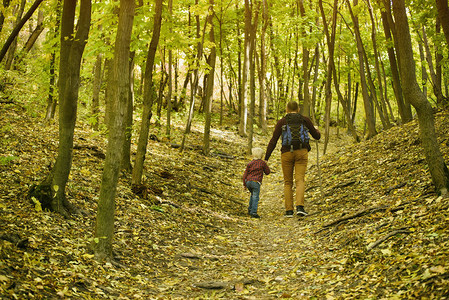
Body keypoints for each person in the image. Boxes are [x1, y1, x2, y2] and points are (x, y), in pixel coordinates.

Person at [265, 101, 321, 217]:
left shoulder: (282, 122)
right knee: (300, 180)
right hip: (302, 152)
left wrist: (266, 158)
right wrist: (317, 130)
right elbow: (317, 136)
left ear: (286, 109)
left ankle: (289, 211)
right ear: (298, 109)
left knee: (287, 182)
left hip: (286, 154)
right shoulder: (305, 120)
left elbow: (273, 140)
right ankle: (300, 207)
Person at [242, 147, 271, 218]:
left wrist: (244, 184)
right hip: (256, 182)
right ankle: (253, 212)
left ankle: (250, 209)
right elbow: (267, 172)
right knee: (255, 197)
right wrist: (266, 165)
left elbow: (245, 175)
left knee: (252, 195)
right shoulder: (262, 163)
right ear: (261, 156)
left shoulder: (250, 163)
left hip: (248, 181)